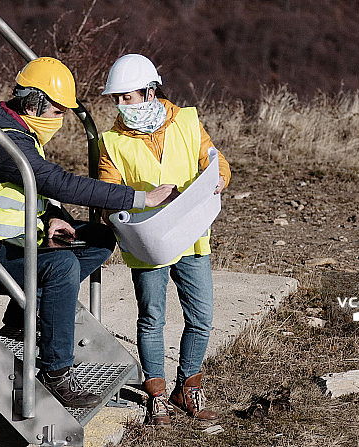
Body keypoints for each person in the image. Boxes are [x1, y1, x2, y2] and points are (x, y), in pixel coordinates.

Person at [0, 57, 178, 408]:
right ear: (33, 103)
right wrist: (140, 197)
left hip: (14, 241)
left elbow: (35, 189)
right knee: (63, 267)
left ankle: (25, 313)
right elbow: (56, 181)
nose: (60, 120)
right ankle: (56, 373)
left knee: (100, 237)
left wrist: (53, 215)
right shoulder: (3, 142)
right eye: (57, 111)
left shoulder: (17, 130)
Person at [97, 54, 231, 424]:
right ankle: (156, 394)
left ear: (151, 91)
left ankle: (188, 388)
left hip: (191, 236)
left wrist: (220, 178)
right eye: (117, 99)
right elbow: (108, 193)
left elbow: (215, 161)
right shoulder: (112, 142)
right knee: (152, 318)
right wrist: (127, 210)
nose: (123, 106)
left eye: (129, 97)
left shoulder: (187, 121)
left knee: (202, 317)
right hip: (148, 243)